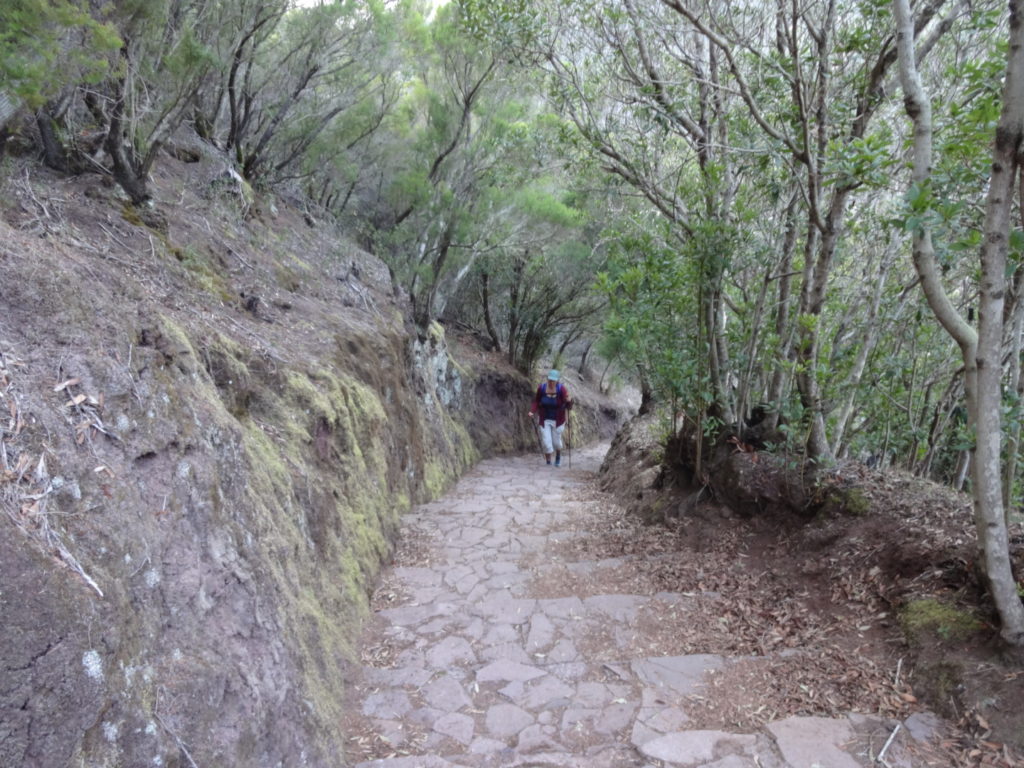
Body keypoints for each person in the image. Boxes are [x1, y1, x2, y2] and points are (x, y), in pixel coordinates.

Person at [528, 369, 573, 467]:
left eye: (553, 380)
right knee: (546, 441)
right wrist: (532, 411)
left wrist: (569, 401)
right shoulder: (542, 388)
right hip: (544, 419)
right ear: (547, 379)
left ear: (557, 380)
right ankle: (548, 461)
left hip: (559, 420)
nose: (551, 382)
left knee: (556, 442)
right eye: (550, 380)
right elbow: (536, 401)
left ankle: (558, 456)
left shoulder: (562, 389)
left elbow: (569, 406)